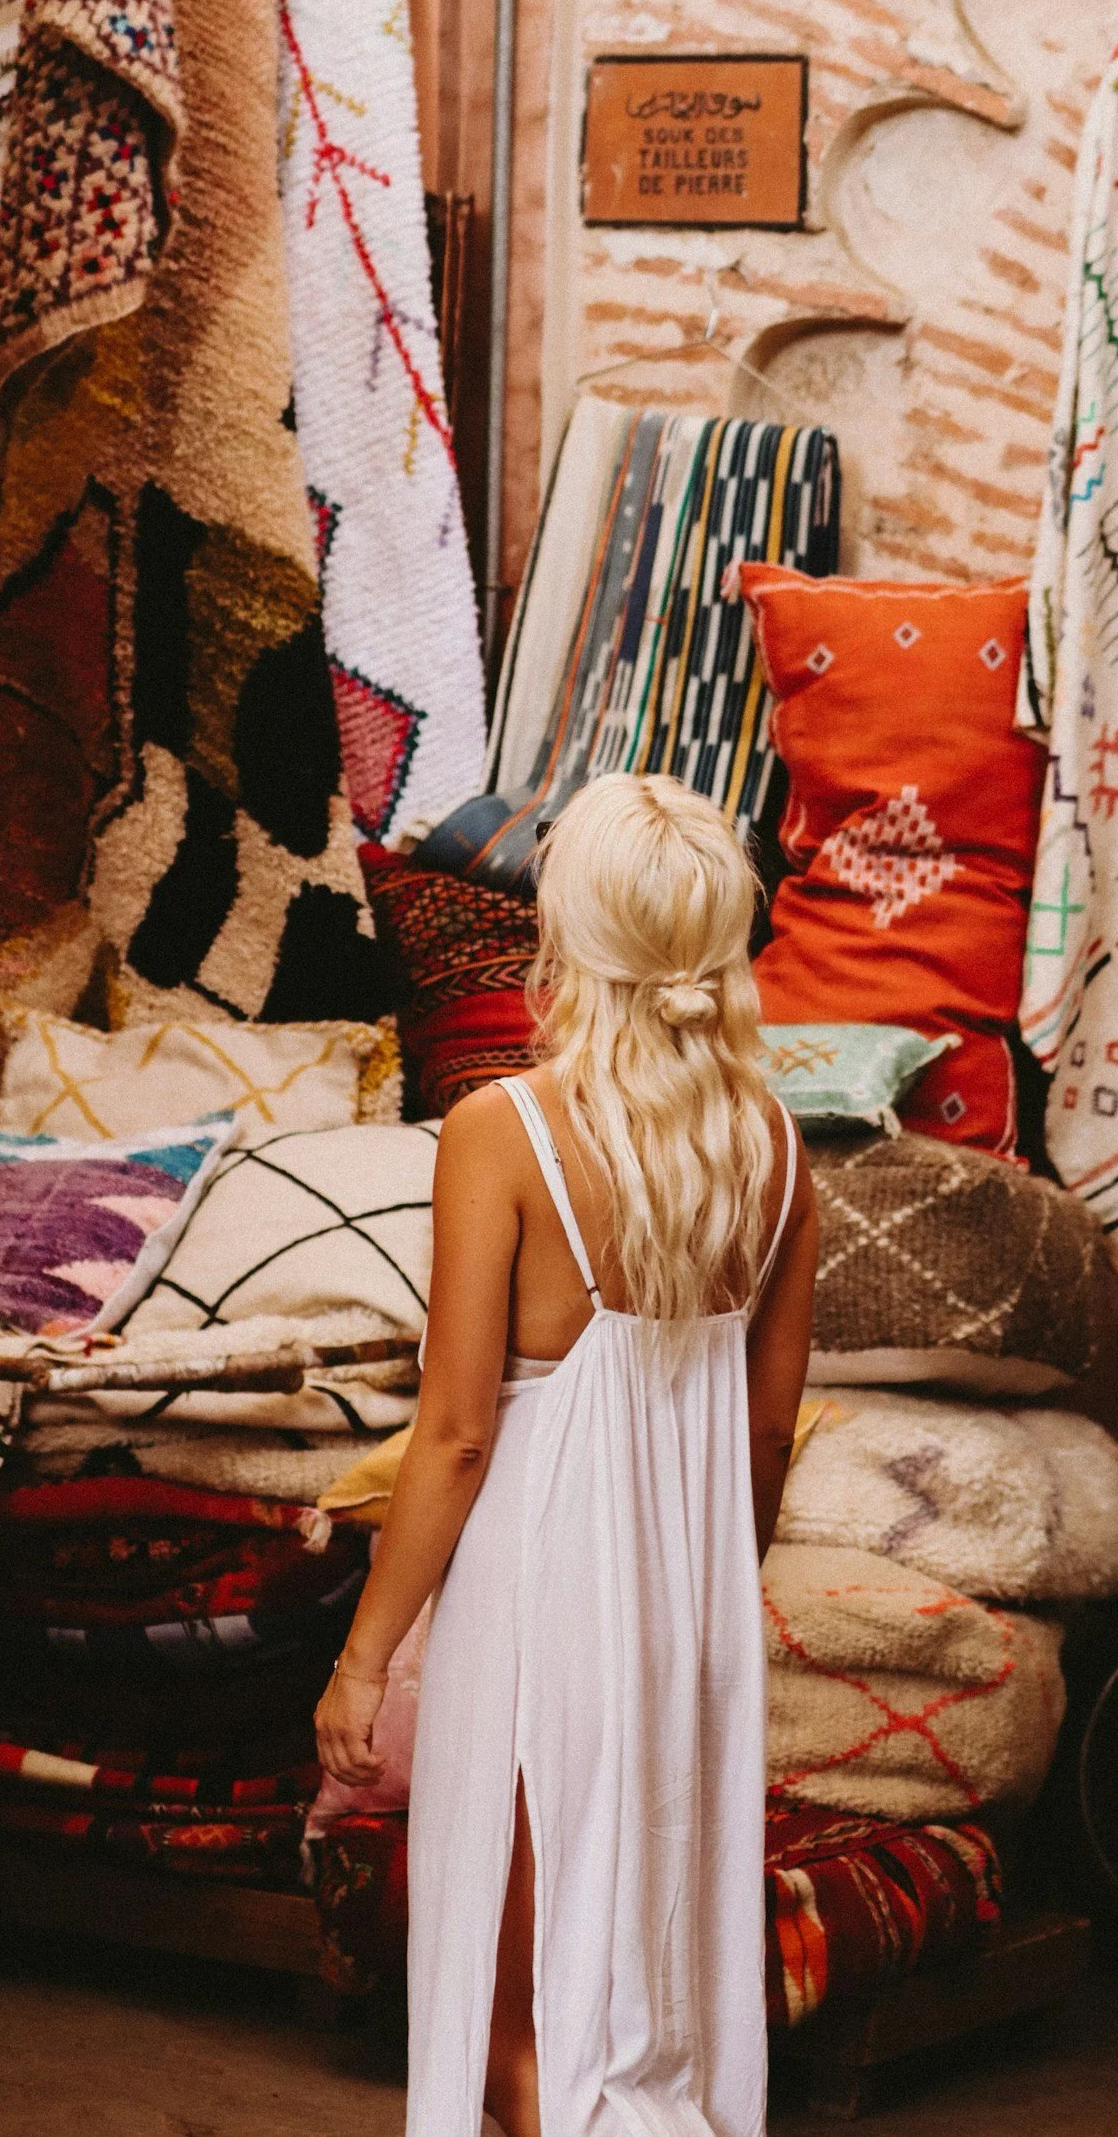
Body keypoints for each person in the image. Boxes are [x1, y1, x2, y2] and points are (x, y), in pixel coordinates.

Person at [315, 772, 818, 2137]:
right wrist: (704, 1598)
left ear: (563, 932)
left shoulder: (506, 1130)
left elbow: (455, 1435)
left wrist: (364, 1658)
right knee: (633, 1994)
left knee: (518, 2017)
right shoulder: (775, 1153)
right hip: (690, 1605)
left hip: (539, 1597)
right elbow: (767, 1430)